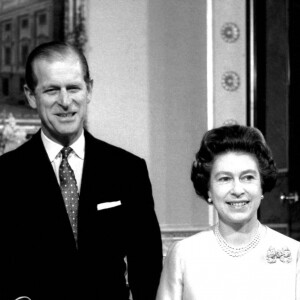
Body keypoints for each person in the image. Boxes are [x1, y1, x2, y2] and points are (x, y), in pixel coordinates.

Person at [0, 41, 162, 300]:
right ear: (31, 96)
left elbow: (148, 269)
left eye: (73, 88)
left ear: (89, 90)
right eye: (52, 90)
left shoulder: (128, 170)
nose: (65, 102)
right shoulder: (5, 176)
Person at [156, 124, 300, 300]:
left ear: (262, 185)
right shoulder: (183, 254)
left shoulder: (294, 254)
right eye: (224, 179)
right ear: (208, 189)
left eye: (248, 177)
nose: (237, 190)